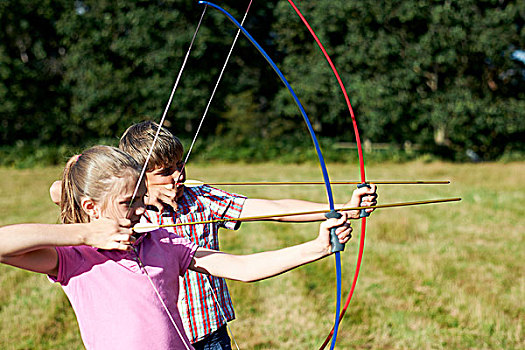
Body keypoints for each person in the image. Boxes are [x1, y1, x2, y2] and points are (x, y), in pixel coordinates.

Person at [49, 121, 378, 348]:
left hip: (210, 328)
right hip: (159, 333)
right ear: (137, 177)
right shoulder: (125, 215)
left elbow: (273, 207)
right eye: (164, 172)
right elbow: (61, 190)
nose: (178, 176)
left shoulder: (199, 198)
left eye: (181, 165)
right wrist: (143, 198)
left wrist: (340, 209)